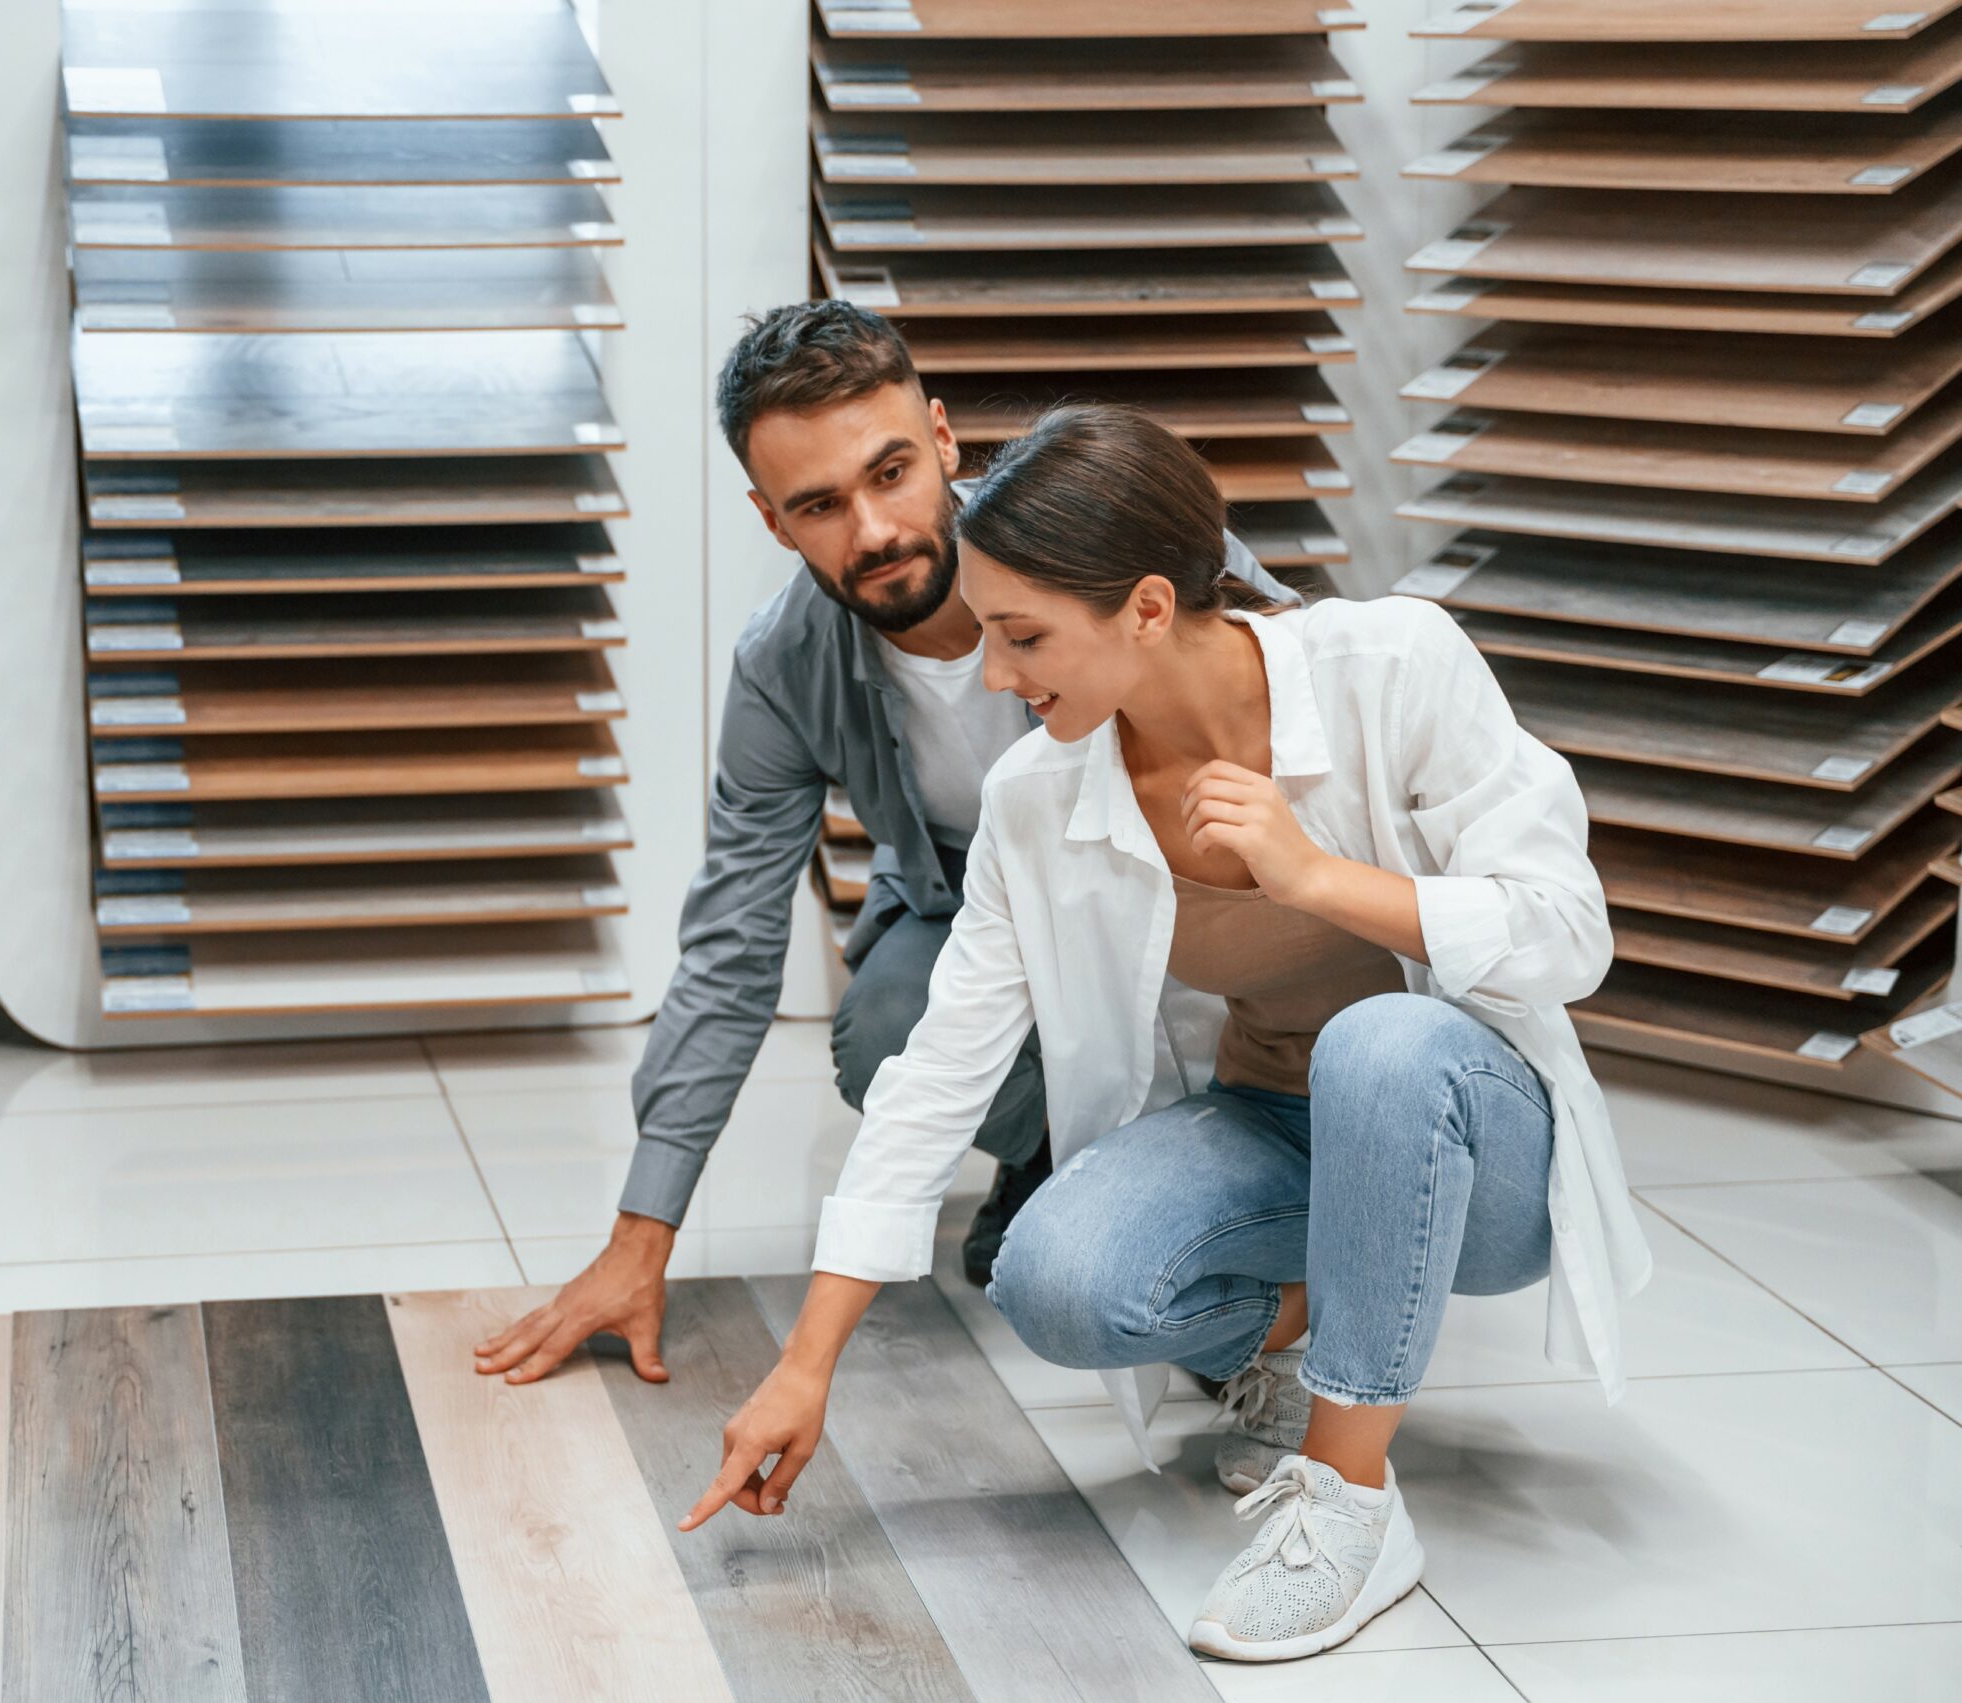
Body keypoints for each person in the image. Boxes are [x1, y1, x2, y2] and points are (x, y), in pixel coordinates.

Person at [679, 404, 1653, 1665]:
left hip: (1476, 1146)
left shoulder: (1392, 663)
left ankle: (1351, 1508)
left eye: (1022, 637)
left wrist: (1310, 876)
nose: (995, 675)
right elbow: (937, 1077)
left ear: (1145, 607)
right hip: (1276, 1123)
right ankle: (1318, 1324)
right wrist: (806, 1362)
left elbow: (1567, 933)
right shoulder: (1039, 796)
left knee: (1380, 1041)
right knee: (1053, 1274)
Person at [471, 303, 1296, 1388]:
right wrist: (642, 1233)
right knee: (886, 1026)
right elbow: (730, 943)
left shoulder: (1110, 543)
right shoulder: (782, 665)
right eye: (818, 504)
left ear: (944, 441)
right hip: (976, 922)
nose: (871, 530)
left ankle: (1205, 1187)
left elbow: (1305, 697)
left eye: (891, 472)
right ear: (773, 522)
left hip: (1194, 906)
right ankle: (1065, 1166)